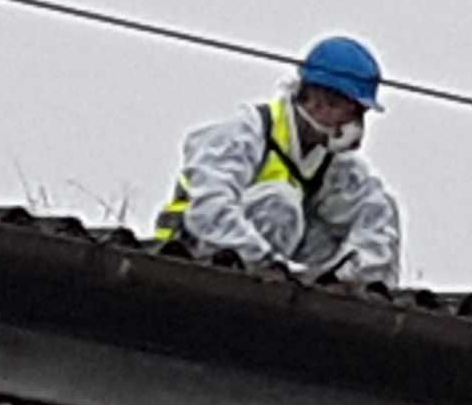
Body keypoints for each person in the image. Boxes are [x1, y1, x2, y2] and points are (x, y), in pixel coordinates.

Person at [158, 37, 403, 285]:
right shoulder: (248, 131)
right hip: (196, 253)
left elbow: (375, 218)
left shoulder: (333, 162)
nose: (355, 124)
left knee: (380, 209)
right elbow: (209, 210)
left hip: (278, 264)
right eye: (351, 112)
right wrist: (267, 261)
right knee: (280, 203)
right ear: (318, 100)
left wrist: (342, 279)